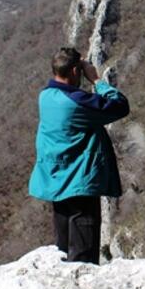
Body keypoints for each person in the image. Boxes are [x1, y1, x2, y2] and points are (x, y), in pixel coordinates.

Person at [28, 47, 129, 263]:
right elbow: (120, 106)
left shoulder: (45, 96)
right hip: (80, 184)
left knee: (63, 249)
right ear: (75, 71)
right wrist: (96, 80)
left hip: (57, 183)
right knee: (83, 254)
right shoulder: (77, 102)